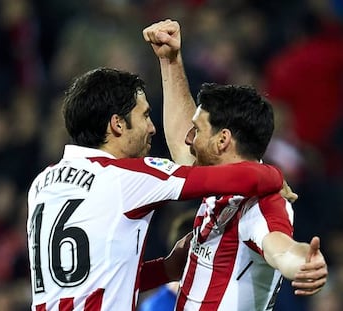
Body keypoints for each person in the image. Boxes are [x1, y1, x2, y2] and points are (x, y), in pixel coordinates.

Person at [26, 67, 285, 311]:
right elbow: (228, 177)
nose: (152, 128)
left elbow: (86, 280)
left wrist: (165, 270)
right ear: (117, 124)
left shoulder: (42, 184)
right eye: (145, 116)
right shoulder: (128, 176)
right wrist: (272, 176)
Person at [143, 19, 328, 310]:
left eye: (198, 130)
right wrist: (170, 59)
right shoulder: (221, 184)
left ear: (222, 140)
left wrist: (304, 262)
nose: (189, 139)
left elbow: (279, 246)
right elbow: (181, 143)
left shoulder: (262, 203)